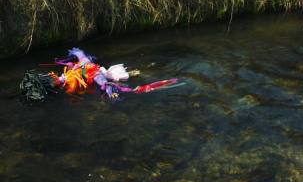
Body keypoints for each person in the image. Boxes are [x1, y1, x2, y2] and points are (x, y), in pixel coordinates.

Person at [19, 48, 184, 102]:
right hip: (100, 72)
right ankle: (147, 70)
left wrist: (106, 87)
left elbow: (95, 73)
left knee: (133, 81)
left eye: (51, 75)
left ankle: (157, 73)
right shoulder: (69, 81)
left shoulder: (71, 77)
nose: (52, 74)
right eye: (51, 77)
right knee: (130, 76)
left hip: (103, 74)